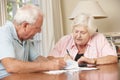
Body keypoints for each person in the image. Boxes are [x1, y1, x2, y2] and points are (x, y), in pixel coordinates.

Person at [0, 4, 66, 77]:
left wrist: (56, 63)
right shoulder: (3, 33)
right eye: (37, 28)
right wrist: (47, 65)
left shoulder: (25, 38)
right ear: (25, 25)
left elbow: (37, 58)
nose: (40, 31)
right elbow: (11, 66)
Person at [49, 13, 118, 66]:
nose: (78, 36)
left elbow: (113, 58)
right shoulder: (65, 40)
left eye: (82, 32)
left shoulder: (99, 38)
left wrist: (93, 60)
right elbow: (49, 58)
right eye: (76, 32)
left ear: (90, 33)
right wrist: (62, 59)